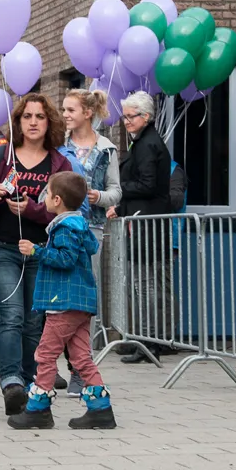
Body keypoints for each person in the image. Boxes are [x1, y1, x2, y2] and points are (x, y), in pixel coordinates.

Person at [0, 93, 75, 416]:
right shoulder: (1, 157)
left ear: (49, 121)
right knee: (11, 314)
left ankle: (30, 385)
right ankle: (11, 381)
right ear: (18, 121)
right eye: (28, 116)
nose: (34, 122)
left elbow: (67, 210)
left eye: (40, 117)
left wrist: (35, 210)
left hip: (42, 251)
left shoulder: (59, 163)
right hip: (2, 249)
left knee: (33, 321)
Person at [8, 171, 116, 430]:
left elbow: (65, 259)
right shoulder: (78, 224)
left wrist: (36, 250)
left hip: (63, 302)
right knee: (81, 358)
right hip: (79, 302)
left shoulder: (65, 228)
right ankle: (100, 409)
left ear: (57, 199)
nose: (43, 196)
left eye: (46, 192)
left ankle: (38, 409)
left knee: (44, 354)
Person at [57, 88, 123, 396]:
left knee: (85, 299)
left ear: (87, 113)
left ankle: (81, 370)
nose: (65, 115)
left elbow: (115, 191)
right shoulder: (59, 147)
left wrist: (99, 197)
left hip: (91, 230)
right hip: (58, 228)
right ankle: (49, 365)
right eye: (64, 110)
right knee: (57, 299)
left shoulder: (106, 149)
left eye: (71, 110)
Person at [106, 91, 173, 364]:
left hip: (146, 224)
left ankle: (149, 343)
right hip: (144, 219)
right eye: (124, 116)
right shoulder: (145, 142)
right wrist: (120, 206)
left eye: (131, 116)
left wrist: (118, 192)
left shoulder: (147, 145)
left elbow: (147, 185)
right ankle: (149, 341)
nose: (125, 121)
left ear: (145, 117)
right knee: (145, 285)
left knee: (145, 285)